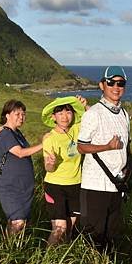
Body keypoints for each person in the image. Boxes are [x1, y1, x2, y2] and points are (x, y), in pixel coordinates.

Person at [77, 66, 130, 251]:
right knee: (93, 236)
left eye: (120, 83)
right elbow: (81, 146)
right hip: (95, 186)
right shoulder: (93, 114)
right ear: (102, 85)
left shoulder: (124, 114)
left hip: (116, 186)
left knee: (112, 235)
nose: (116, 87)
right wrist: (106, 147)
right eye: (111, 83)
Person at [41, 95, 88, 245]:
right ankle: (46, 262)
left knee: (70, 227)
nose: (64, 116)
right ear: (53, 117)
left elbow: (92, 118)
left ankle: (62, 258)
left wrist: (85, 106)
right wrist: (51, 163)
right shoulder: (50, 138)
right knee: (59, 228)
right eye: (60, 113)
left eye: (68, 112)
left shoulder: (76, 129)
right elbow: (48, 167)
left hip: (76, 184)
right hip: (55, 186)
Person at [0, 99, 44, 235]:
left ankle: (14, 248)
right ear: (7, 115)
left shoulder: (17, 133)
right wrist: (43, 144)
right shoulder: (5, 134)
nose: (21, 117)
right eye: (17, 114)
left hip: (23, 186)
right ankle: (10, 249)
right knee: (18, 222)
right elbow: (20, 153)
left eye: (23, 114)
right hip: (11, 186)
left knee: (21, 222)